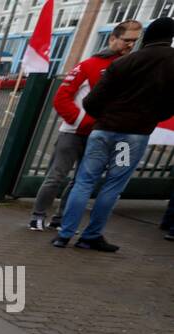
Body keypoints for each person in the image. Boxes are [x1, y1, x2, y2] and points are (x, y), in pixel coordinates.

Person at [54, 17, 174, 252]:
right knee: (113, 184)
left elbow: (92, 101)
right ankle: (91, 236)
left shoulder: (123, 63)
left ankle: (64, 234)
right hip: (131, 137)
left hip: (104, 131)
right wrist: (151, 117)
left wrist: (104, 117)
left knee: (84, 181)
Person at [29, 20, 143, 231]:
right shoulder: (88, 65)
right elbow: (61, 98)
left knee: (80, 181)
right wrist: (83, 121)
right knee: (55, 177)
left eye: (134, 41)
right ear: (113, 38)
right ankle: (38, 215)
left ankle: (61, 219)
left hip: (102, 135)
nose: (130, 45)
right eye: (126, 40)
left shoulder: (130, 66)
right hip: (73, 133)